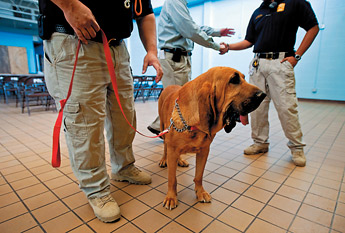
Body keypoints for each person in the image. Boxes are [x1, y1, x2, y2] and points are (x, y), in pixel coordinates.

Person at [38, 0, 163, 223]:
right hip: (73, 39)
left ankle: (123, 167)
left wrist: (151, 51)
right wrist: (69, 5)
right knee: (85, 124)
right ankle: (95, 189)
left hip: (118, 49)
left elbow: (145, 13)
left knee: (123, 117)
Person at [224, 0, 319, 167]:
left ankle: (297, 148)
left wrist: (296, 56)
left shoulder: (296, 3)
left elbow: (313, 27)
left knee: (286, 107)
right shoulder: (258, 11)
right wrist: (228, 47)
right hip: (258, 64)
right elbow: (248, 41)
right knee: (257, 107)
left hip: (281, 63)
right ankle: (260, 143)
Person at [147, 0, 234, 135]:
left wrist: (216, 32)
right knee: (177, 100)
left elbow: (193, 26)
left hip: (179, 58)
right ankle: (170, 135)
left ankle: (162, 127)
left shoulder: (180, 4)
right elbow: (190, 30)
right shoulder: (174, 1)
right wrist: (216, 46)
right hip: (174, 58)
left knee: (178, 99)